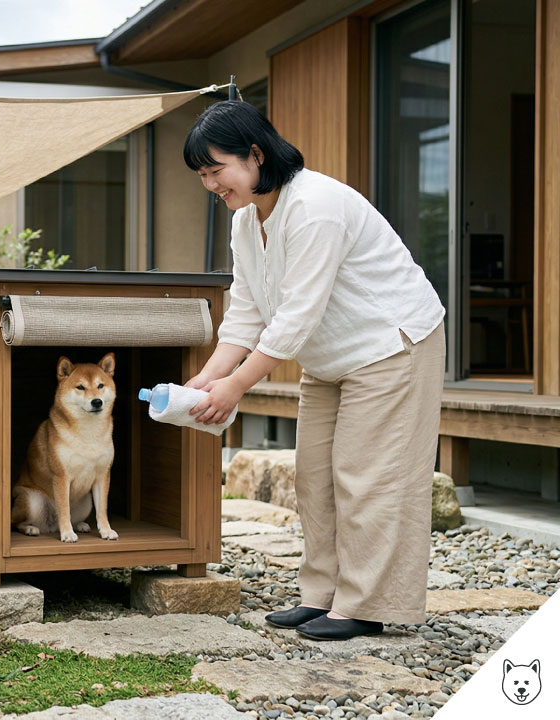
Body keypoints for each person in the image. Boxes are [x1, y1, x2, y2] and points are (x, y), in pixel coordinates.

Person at [181, 100, 446, 641]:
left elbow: (297, 315)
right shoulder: (244, 221)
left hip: (389, 345)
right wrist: (208, 379)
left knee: (366, 478)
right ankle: (321, 595)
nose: (210, 184)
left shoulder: (315, 206)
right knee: (314, 477)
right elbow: (248, 310)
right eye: (202, 175)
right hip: (328, 357)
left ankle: (365, 605)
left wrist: (236, 387)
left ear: (255, 155)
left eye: (216, 170)